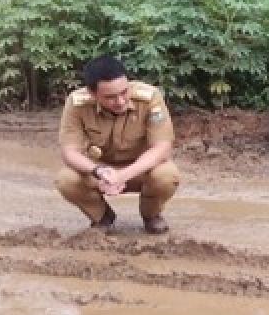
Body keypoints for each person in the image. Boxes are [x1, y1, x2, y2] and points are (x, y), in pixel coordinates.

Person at [54, 56, 180, 234]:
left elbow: (162, 148)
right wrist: (99, 171)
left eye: (124, 92)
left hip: (141, 169)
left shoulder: (150, 97)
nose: (120, 101)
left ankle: (151, 215)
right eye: (110, 97)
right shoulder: (76, 104)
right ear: (92, 94)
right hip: (101, 172)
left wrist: (123, 175)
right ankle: (102, 217)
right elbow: (69, 152)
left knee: (167, 175)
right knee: (66, 179)